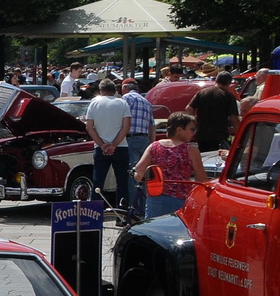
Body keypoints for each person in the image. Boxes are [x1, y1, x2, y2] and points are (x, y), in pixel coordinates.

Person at [133, 112, 212, 219]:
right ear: (179, 130)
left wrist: (140, 177)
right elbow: (202, 180)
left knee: (154, 227)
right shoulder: (191, 150)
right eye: (192, 129)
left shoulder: (154, 146)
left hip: (155, 199)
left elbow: (139, 169)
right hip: (180, 200)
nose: (194, 132)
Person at [84, 78, 132, 211]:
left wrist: (102, 144)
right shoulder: (122, 103)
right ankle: (122, 214)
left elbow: (89, 127)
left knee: (98, 182)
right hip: (121, 146)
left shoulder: (94, 103)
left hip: (100, 147)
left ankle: (94, 213)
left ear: (101, 90)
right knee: (122, 182)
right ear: (115, 90)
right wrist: (114, 144)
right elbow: (126, 126)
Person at [120, 78, 155, 220]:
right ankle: (144, 206)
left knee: (133, 174)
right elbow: (152, 126)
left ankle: (133, 209)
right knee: (144, 175)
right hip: (144, 139)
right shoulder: (146, 102)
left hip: (131, 138)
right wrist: (152, 144)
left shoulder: (126, 99)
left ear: (125, 88)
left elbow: (122, 119)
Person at [189, 73, 240, 153]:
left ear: (216, 80)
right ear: (229, 83)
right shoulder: (228, 96)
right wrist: (241, 133)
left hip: (202, 135)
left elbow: (189, 108)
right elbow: (234, 119)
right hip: (220, 136)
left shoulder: (202, 92)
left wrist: (194, 124)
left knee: (204, 157)